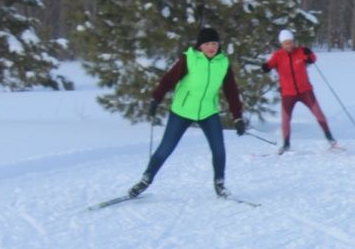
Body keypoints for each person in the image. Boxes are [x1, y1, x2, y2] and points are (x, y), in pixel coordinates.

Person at [127, 26, 248, 199]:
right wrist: (156, 98)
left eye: (214, 43)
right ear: (200, 46)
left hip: (208, 112)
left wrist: (237, 117)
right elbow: (169, 79)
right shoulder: (189, 59)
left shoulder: (223, 63)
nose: (211, 47)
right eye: (207, 44)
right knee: (165, 149)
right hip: (182, 111)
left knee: (219, 149)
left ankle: (220, 184)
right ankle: (145, 181)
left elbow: (231, 91)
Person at [261, 28, 336, 154]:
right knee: (285, 119)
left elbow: (312, 59)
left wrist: (309, 54)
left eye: (290, 42)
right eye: (286, 43)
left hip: (305, 91)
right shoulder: (278, 56)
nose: (289, 45)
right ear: (282, 44)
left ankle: (330, 138)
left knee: (318, 113)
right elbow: (269, 65)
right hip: (288, 93)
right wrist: (266, 67)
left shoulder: (300, 51)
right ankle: (286, 144)